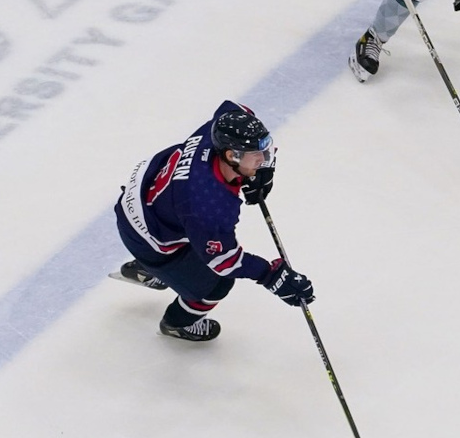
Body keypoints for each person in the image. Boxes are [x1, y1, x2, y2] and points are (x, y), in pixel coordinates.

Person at [112, 101, 314, 342]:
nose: (263, 158)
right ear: (232, 155)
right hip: (146, 236)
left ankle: (153, 271)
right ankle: (177, 323)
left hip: (154, 201)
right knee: (217, 285)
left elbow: (235, 107)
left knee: (189, 234)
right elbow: (224, 262)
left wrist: (263, 170)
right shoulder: (208, 206)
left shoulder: (218, 131)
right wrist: (270, 276)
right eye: (257, 155)